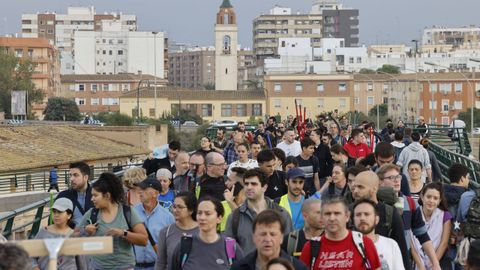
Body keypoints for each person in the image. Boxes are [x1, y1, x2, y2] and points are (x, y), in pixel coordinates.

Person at [77, 172, 148, 269]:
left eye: (95, 195)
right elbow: (73, 236)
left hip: (124, 267)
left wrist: (123, 233)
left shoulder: (127, 212)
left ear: (107, 195)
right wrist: (84, 230)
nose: (92, 199)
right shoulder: (92, 213)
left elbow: (144, 240)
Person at [377, 164, 439, 266]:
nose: (396, 180)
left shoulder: (410, 203)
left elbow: (422, 234)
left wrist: (435, 263)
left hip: (404, 259)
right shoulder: (376, 205)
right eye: (391, 178)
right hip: (382, 259)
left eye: (398, 177)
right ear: (380, 182)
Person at [299, 196, 382, 270]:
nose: (332, 218)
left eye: (337, 213)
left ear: (347, 216)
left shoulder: (364, 243)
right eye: (327, 214)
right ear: (321, 217)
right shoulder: (310, 247)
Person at [352, 171, 411, 269]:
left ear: (374, 189)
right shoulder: (349, 212)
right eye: (355, 187)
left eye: (360, 187)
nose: (355, 191)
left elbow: (402, 252)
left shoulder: (390, 213)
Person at [225, 168, 292, 254]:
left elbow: (288, 248)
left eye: (254, 184)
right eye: (246, 184)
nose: (249, 187)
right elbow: (229, 251)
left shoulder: (282, 214)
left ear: (264, 187)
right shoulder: (234, 217)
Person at [170, 197, 244, 270]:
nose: (202, 217)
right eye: (199, 213)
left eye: (208, 214)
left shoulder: (231, 247)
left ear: (219, 218)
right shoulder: (184, 245)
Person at [230, 210, 307, 270]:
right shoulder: (238, 268)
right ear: (253, 237)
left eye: (273, 234)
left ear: (281, 237)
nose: (267, 239)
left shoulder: (298, 268)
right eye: (263, 234)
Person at [33, 198, 86, 270]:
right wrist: (35, 267)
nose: (56, 215)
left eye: (60, 212)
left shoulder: (74, 235)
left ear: (69, 215)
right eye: (54, 212)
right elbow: (31, 256)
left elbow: (82, 263)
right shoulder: (43, 232)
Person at [134, 178, 175, 270]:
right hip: (134, 266)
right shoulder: (132, 212)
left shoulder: (168, 217)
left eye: (144, 190)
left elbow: (171, 245)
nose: (140, 192)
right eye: (140, 190)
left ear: (155, 193)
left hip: (157, 267)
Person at [353, 198, 405, 270]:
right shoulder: (346, 247)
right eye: (358, 215)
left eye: (367, 214)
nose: (362, 218)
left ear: (376, 219)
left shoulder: (391, 245)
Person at [412, 183, 452, 270]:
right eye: (428, 197)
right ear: (422, 197)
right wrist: (420, 265)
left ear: (439, 201)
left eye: (435, 198)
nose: (431, 200)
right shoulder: (413, 213)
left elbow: (444, 243)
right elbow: (411, 243)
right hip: (415, 260)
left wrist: (433, 262)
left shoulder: (445, 215)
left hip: (437, 260)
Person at [155, 192, 199, 270]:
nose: (175, 210)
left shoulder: (202, 231)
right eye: (174, 206)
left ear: (191, 210)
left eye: (180, 207)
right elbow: (160, 263)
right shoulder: (166, 232)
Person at [56, 162, 93, 227]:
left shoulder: (97, 195)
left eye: (76, 175)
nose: (71, 179)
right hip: (70, 235)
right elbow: (54, 223)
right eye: (71, 175)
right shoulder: (63, 196)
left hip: (94, 236)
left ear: (86, 177)